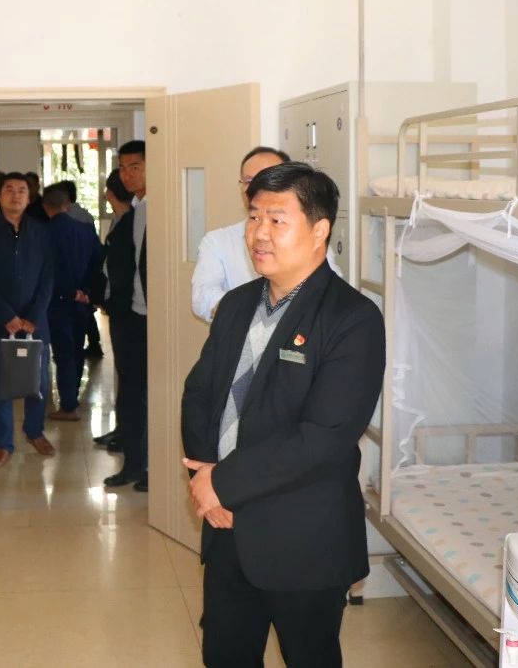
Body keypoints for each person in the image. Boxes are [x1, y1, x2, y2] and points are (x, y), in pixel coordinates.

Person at [180, 162, 385, 668]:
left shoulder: (352, 318)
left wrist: (222, 482)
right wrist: (207, 480)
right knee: (225, 654)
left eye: (277, 220)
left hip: (303, 536)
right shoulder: (236, 304)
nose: (260, 234)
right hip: (226, 526)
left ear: (319, 230)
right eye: (254, 218)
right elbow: (199, 393)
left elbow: (325, 435)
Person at [191, 147, 348, 324]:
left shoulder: (308, 239)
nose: (261, 234)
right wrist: (249, 313)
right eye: (249, 181)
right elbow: (203, 296)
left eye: (277, 221)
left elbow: (330, 288)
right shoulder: (217, 241)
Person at [0, 171, 56, 468]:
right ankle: (3, 444)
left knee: (39, 383)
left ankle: (35, 432)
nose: (15, 195)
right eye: (9, 189)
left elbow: (48, 278)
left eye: (21, 190)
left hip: (36, 324)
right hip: (0, 323)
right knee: (0, 387)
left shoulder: (42, 232)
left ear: (29, 196)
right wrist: (6, 315)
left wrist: (33, 316)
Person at [99, 140, 149, 491]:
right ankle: (134, 463)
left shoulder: (155, 208)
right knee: (131, 392)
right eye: (123, 168)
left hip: (147, 317)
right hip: (130, 314)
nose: (127, 174)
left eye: (135, 167)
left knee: (145, 394)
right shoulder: (134, 210)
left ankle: (146, 466)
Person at [42, 184, 102, 420]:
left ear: (46, 207)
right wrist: (86, 292)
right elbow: (98, 260)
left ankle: (68, 405)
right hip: (82, 301)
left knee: (63, 353)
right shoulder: (85, 230)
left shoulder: (43, 233)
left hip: (57, 302)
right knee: (76, 349)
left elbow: (49, 272)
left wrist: (69, 292)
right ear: (67, 205)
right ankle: (72, 397)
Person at [91, 167, 134, 446]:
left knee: (130, 376)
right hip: (119, 308)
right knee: (123, 373)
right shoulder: (120, 221)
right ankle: (123, 429)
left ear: (110, 193)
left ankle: (129, 434)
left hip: (128, 310)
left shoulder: (132, 222)